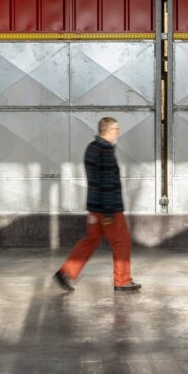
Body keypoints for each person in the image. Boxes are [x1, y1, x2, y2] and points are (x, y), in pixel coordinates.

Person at [54, 117, 141, 293]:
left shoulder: (92, 148)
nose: (118, 132)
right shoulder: (105, 151)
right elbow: (107, 183)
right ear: (107, 130)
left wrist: (96, 210)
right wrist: (109, 212)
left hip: (94, 206)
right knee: (121, 242)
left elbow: (95, 180)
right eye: (116, 129)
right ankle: (122, 281)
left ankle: (65, 272)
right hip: (109, 208)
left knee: (91, 240)